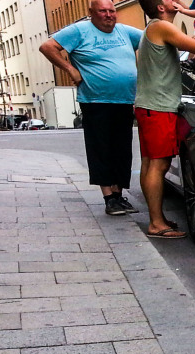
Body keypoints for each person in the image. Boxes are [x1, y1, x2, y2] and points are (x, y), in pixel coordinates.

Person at [39, 0, 143, 216]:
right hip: (95, 100)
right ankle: (109, 198)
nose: (109, 15)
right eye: (103, 11)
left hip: (124, 100)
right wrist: (69, 69)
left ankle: (119, 195)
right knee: (101, 149)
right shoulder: (79, 30)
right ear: (91, 13)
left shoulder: (125, 32)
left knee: (122, 150)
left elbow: (152, 40)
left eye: (112, 11)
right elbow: (46, 47)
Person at [133, 0, 195, 238]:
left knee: (150, 163)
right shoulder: (161, 26)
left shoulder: (157, 28)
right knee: (159, 164)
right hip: (158, 107)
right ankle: (156, 224)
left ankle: (157, 219)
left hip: (151, 106)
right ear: (161, 7)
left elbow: (193, 48)